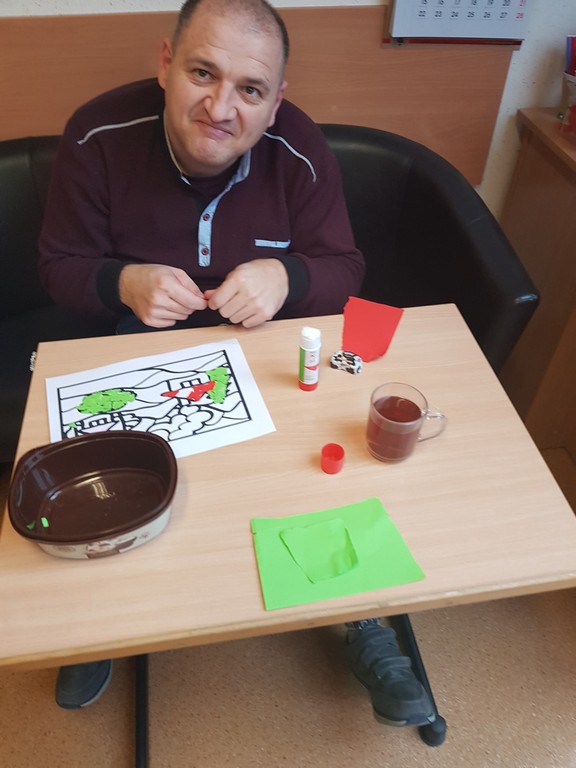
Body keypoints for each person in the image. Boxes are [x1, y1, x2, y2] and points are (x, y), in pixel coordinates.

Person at [38, 0, 434, 728]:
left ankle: (363, 615)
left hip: (264, 349)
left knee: (316, 463)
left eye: (250, 89)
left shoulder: (300, 148)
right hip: (134, 345)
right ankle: (98, 619)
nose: (221, 108)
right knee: (123, 486)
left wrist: (289, 277)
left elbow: (344, 265)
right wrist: (121, 281)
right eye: (202, 73)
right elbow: (58, 266)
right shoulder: (96, 134)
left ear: (275, 100)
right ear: (166, 64)